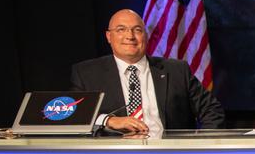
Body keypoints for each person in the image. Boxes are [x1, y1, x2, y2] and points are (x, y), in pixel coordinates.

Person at [70, 9, 224, 134]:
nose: (130, 36)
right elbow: (74, 116)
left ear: (146, 36)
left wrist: (202, 147)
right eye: (121, 30)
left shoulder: (177, 70)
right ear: (109, 37)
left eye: (137, 30)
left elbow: (212, 110)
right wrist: (108, 120)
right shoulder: (86, 73)